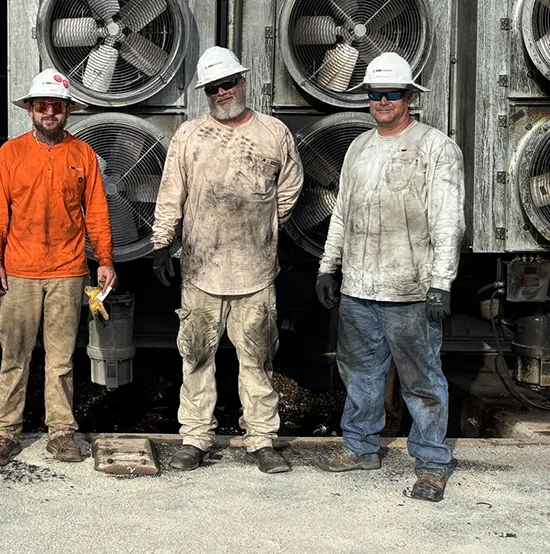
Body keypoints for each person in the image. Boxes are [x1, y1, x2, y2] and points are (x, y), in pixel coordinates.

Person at [315, 51, 465, 503]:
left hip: (412, 291)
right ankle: (360, 448)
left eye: (391, 93)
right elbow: (341, 210)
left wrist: (441, 281)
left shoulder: (436, 147)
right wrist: (328, 265)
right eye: (375, 94)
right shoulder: (359, 147)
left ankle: (433, 462)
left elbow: (447, 220)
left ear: (408, 97)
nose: (382, 100)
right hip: (359, 288)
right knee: (359, 374)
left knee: (421, 380)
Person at [152, 46, 303, 474]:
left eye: (228, 83)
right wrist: (162, 242)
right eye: (213, 88)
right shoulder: (189, 136)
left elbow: (289, 187)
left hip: (255, 272)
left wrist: (265, 226)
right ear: (206, 93)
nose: (222, 92)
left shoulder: (274, 133)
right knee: (196, 357)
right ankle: (196, 436)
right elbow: (170, 193)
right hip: (200, 271)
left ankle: (261, 438)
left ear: (242, 82)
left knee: (257, 359)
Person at [0, 68, 116, 466]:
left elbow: (96, 211)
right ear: (30, 110)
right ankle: (5, 433)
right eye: (42, 106)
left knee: (60, 360)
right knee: (14, 356)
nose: (49, 113)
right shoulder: (10, 153)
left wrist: (105, 259)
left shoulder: (82, 155)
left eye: (56, 107)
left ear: (66, 112)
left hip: (68, 271)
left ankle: (61, 432)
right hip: (19, 272)